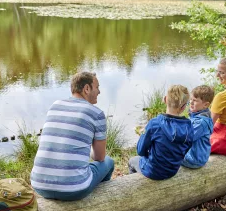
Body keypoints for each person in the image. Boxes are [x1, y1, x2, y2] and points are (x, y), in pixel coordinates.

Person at [30, 72, 114, 201]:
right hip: (74, 189)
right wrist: (87, 151)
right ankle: (102, 200)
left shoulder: (55, 105)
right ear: (87, 88)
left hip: (39, 184)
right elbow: (99, 157)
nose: (99, 92)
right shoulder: (96, 113)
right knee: (108, 162)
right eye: (97, 87)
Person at [128, 85, 194, 180]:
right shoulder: (189, 126)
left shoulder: (154, 123)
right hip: (172, 171)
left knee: (132, 161)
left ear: (165, 99)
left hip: (153, 171)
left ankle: (134, 184)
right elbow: (187, 147)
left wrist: (144, 134)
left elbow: (140, 151)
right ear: (183, 107)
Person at [182, 85, 214, 169]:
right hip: (195, 156)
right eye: (191, 99)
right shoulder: (197, 115)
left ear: (205, 105)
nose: (191, 102)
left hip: (193, 159)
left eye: (195, 100)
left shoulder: (201, 122)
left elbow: (186, 138)